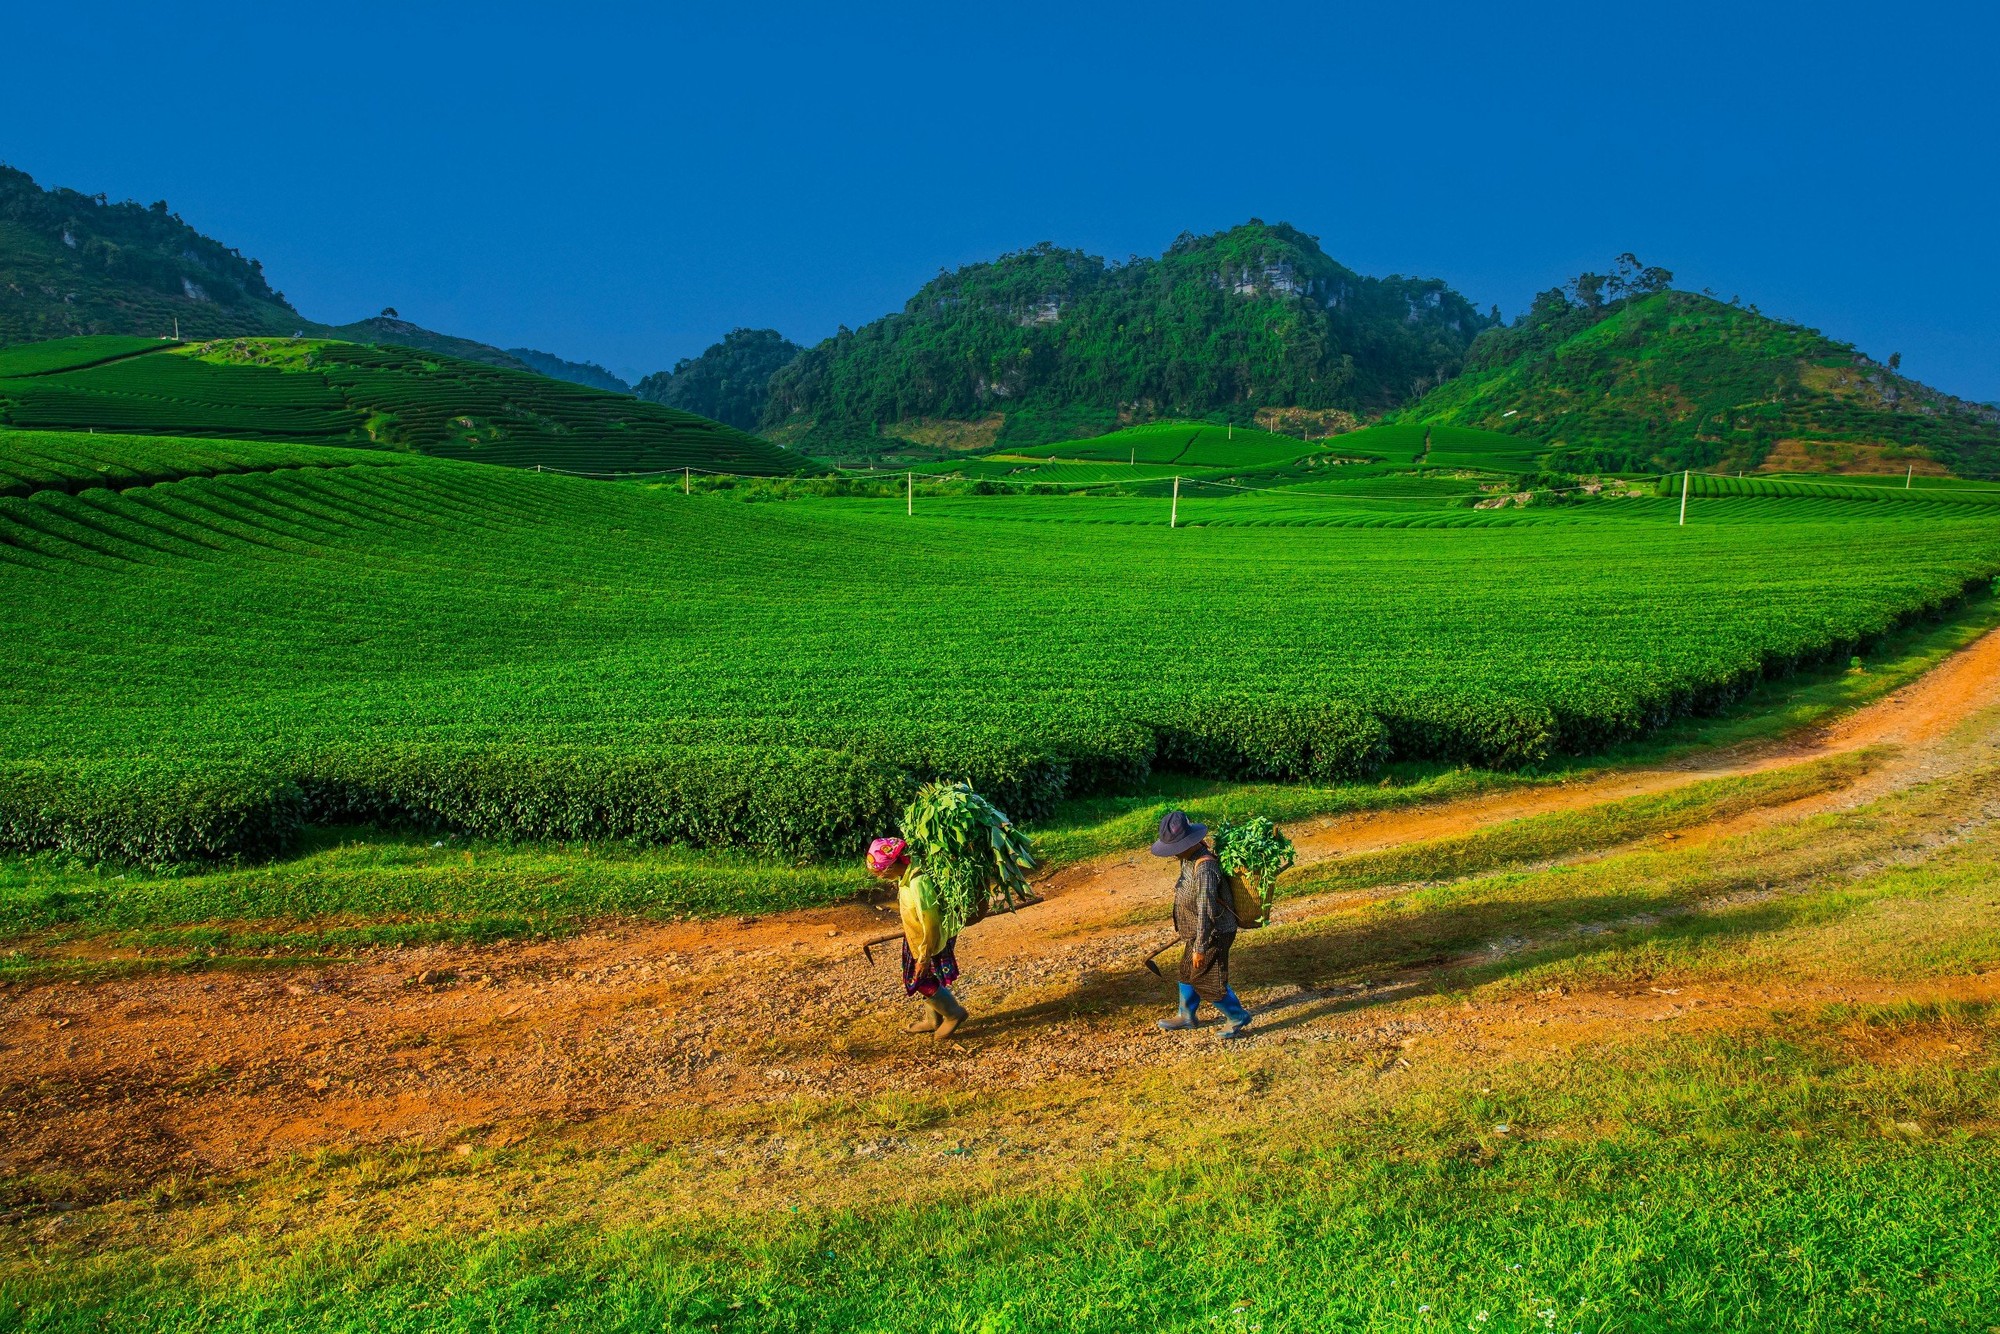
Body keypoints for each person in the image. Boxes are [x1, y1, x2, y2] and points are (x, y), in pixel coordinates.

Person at [1149, 810, 1252, 1039]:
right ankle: (1187, 1016)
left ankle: (1237, 1016)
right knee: (1187, 972)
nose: (1173, 854)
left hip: (1213, 933)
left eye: (1176, 848)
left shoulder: (1205, 867)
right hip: (1196, 932)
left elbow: (1207, 910)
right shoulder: (1189, 858)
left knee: (1206, 978)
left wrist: (1200, 948)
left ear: (1189, 843)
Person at [867, 836, 970, 1039]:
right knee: (928, 977)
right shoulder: (905, 874)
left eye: (881, 871)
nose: (880, 876)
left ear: (893, 864)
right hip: (916, 937)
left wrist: (924, 955)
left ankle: (953, 1013)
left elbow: (930, 921)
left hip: (929, 940)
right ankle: (933, 1020)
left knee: (920, 980)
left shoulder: (918, 882)